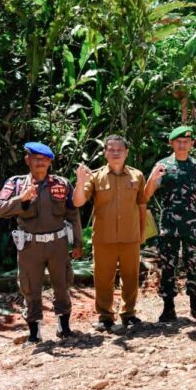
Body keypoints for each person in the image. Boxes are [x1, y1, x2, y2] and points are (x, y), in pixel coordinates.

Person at [0, 142, 83, 342]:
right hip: (29, 246)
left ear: (50, 161)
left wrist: (78, 243)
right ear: (27, 160)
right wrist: (21, 199)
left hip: (58, 245)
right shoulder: (16, 183)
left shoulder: (61, 184)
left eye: (44, 159)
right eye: (35, 158)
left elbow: (73, 214)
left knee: (62, 284)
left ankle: (64, 327)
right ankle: (34, 332)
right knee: (30, 287)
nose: (40, 162)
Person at [73, 135, 147, 332]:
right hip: (104, 238)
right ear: (105, 152)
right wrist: (80, 182)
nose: (116, 153)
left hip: (130, 236)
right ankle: (105, 316)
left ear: (126, 152)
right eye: (111, 149)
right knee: (103, 278)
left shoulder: (137, 176)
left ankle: (129, 314)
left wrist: (142, 233)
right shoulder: (95, 177)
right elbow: (78, 202)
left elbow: (141, 205)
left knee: (131, 276)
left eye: (120, 149)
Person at [144, 126, 196, 321]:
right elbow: (147, 194)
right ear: (171, 143)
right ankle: (168, 307)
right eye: (178, 142)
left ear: (191, 144)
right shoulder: (162, 166)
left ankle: (195, 305)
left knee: (193, 264)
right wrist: (153, 178)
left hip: (193, 226)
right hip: (169, 226)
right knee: (167, 266)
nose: (182, 145)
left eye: (186, 142)